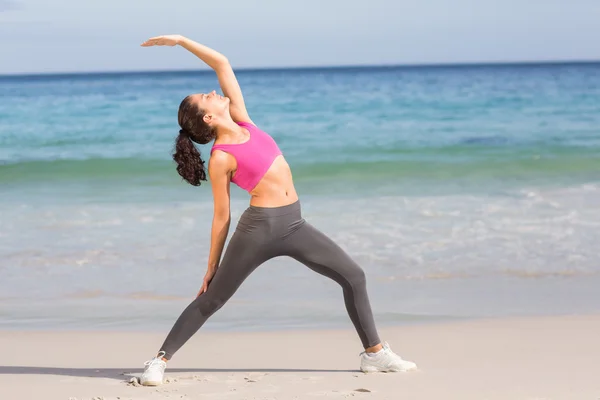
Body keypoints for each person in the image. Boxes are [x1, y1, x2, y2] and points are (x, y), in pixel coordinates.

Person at [138, 34, 418, 386]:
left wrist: (181, 42)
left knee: (353, 276)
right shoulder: (221, 157)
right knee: (213, 299)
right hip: (259, 229)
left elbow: (221, 62)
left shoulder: (243, 121)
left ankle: (374, 354)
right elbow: (221, 216)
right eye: (206, 97)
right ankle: (158, 361)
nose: (213, 91)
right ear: (208, 117)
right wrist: (211, 266)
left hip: (294, 223)